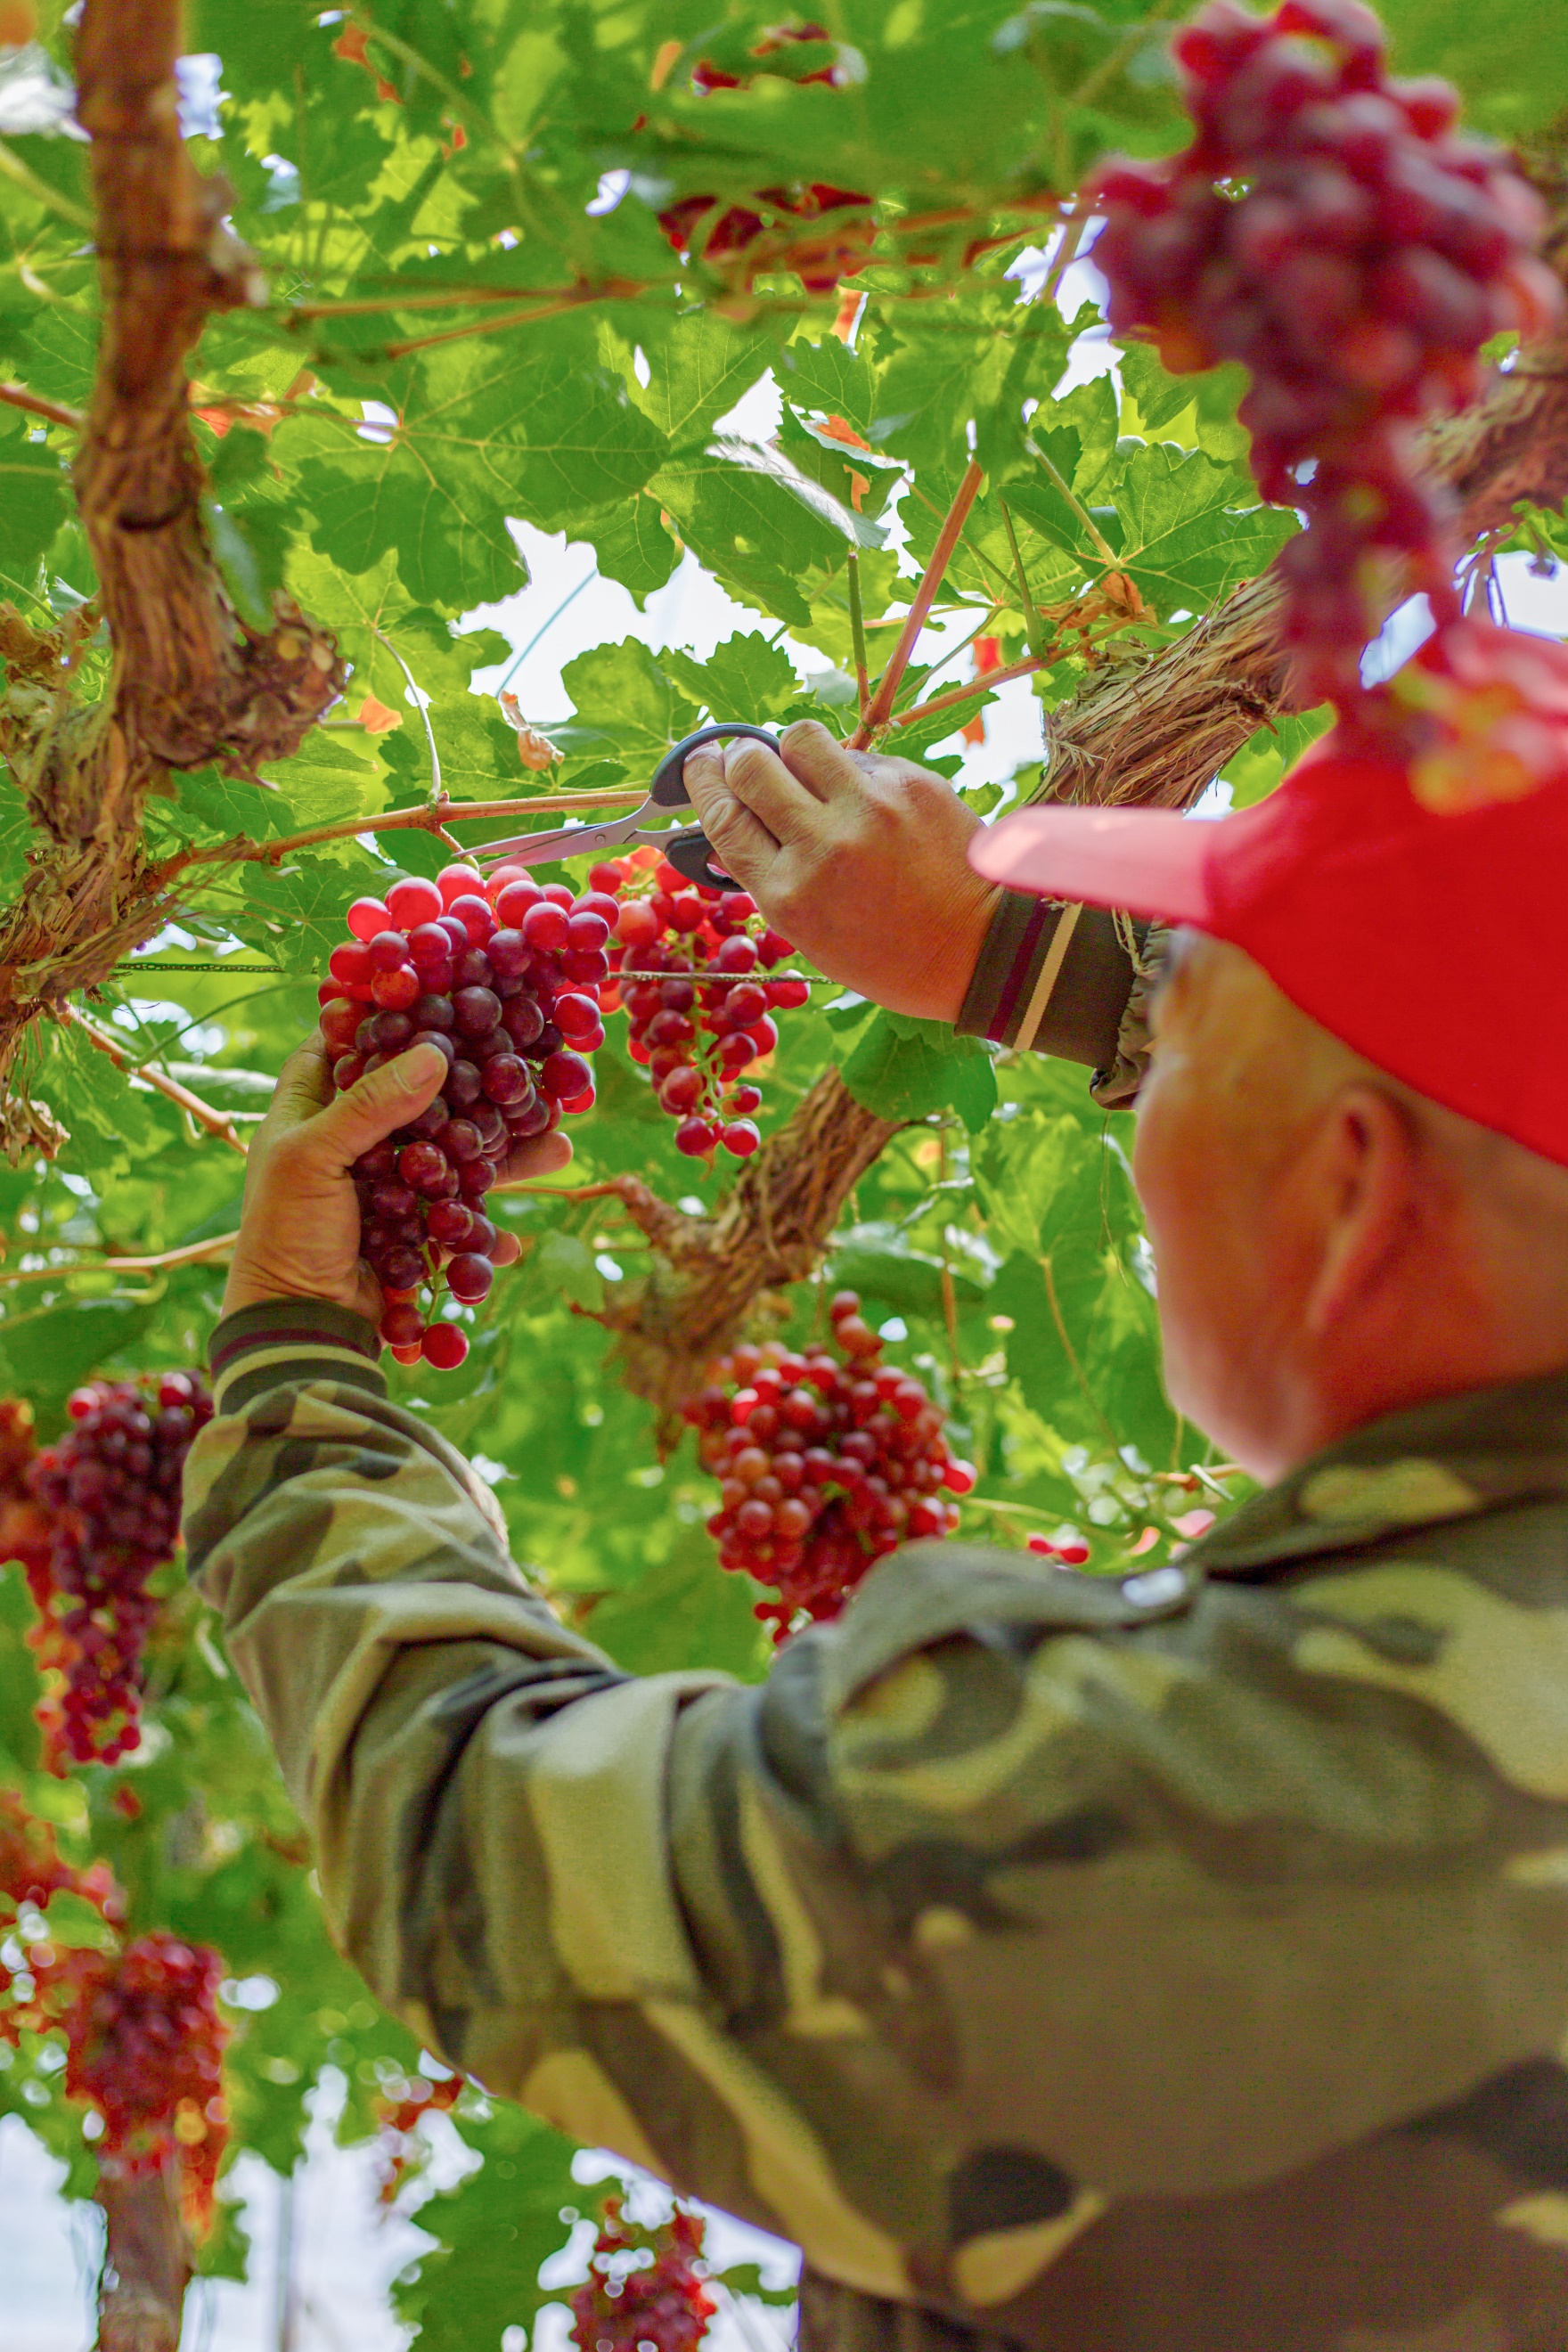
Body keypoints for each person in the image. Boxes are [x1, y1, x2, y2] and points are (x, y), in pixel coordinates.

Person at [184, 706, 1568, 2352]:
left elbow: (465, 1836)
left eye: (1183, 1029)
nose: (1141, 1103)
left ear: (1350, 1193)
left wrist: (295, 1346)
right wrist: (1028, 966)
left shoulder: (1132, 1796)